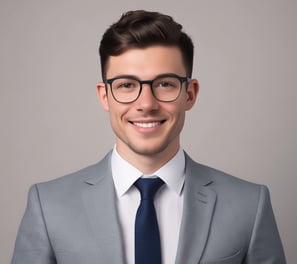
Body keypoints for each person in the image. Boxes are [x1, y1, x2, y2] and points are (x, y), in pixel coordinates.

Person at [11, 10, 286, 264]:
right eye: (127, 85)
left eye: (164, 84)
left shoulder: (250, 205)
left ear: (189, 94)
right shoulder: (48, 206)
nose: (146, 103)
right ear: (104, 96)